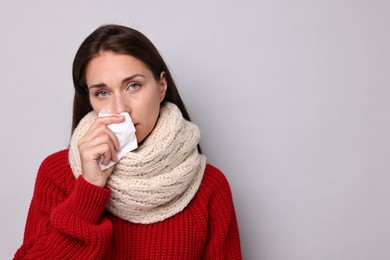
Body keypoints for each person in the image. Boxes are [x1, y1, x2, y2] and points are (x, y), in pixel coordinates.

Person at [14, 24, 241, 259]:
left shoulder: (210, 186)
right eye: (102, 93)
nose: (120, 109)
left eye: (133, 86)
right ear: (89, 99)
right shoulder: (56, 173)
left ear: (161, 87)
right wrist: (89, 189)